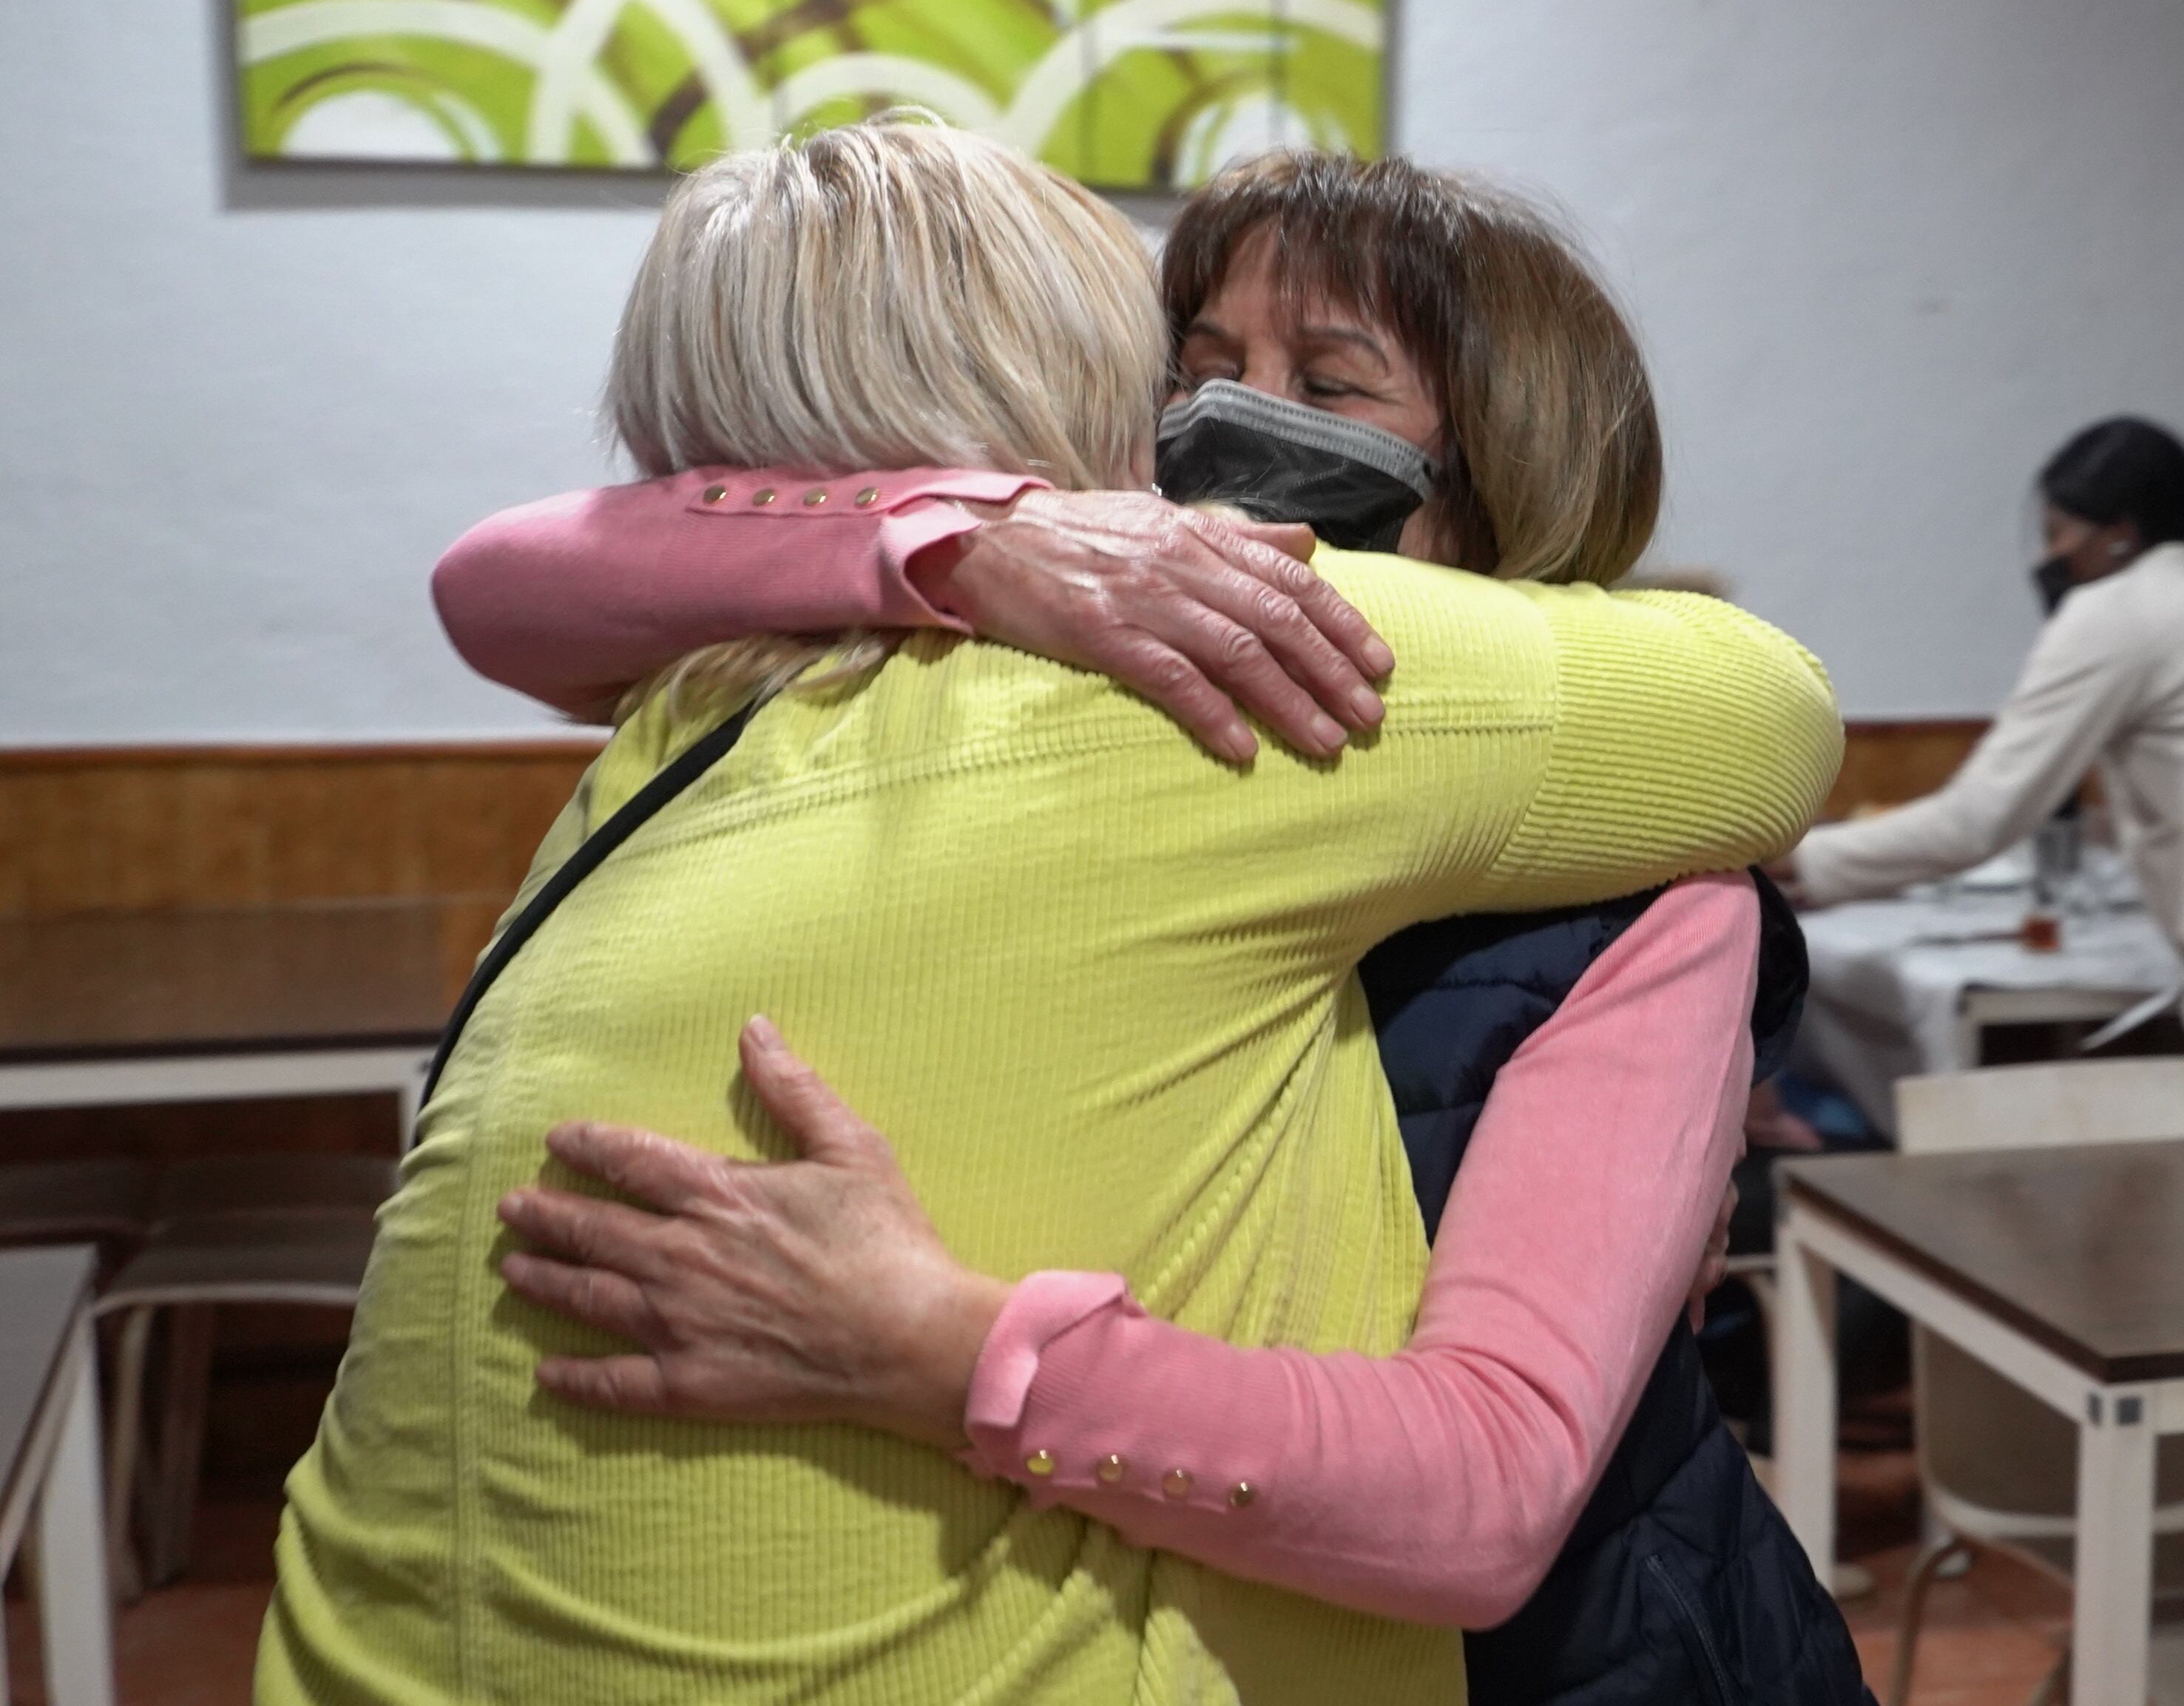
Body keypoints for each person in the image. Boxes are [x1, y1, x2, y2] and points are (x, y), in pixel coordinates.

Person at [260, 126, 1842, 1706]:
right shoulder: (1093, 663)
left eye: (1332, 386)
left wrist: (941, 1348)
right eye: (1198, 365)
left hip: (1566, 1648)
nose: (1232, 423)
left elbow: (1487, 1484)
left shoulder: (1494, 758)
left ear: (1503, 462)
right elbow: (499, 581)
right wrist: (968, 538)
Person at [1776, 416, 2184, 1133]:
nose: (2049, 556)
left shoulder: (2117, 611)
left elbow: (1981, 819)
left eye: (2059, 532)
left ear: (2118, 531)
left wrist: (1797, 862)